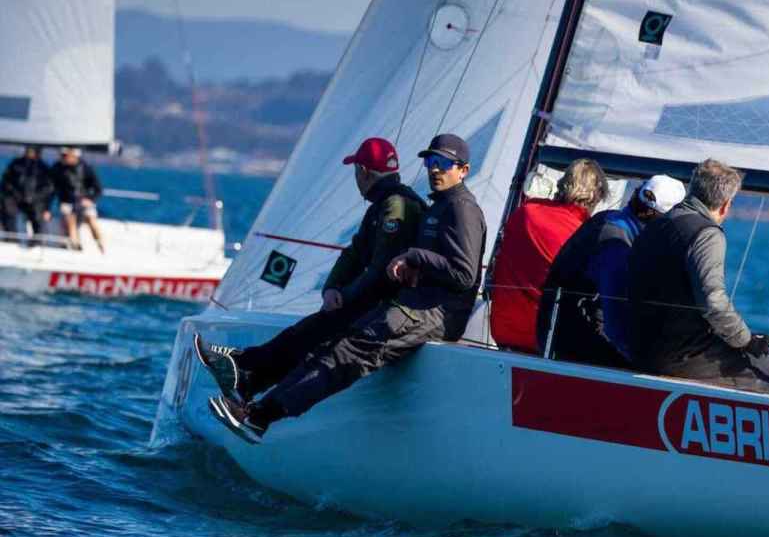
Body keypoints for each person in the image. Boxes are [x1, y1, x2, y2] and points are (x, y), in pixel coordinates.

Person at [198, 134, 486, 444]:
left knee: (345, 351)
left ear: (463, 170)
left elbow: (464, 274)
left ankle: (258, 416)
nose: (434, 169)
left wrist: (414, 257)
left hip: (432, 313)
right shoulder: (438, 206)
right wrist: (337, 286)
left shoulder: (460, 208)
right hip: (416, 304)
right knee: (330, 341)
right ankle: (249, 388)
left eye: (442, 163)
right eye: (430, 161)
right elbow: (362, 253)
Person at [195, 137, 425, 407]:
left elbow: (380, 271)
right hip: (379, 302)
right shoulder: (384, 204)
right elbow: (353, 254)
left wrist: (346, 298)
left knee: (316, 331)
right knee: (311, 328)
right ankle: (244, 375)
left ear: (363, 172)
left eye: (355, 171)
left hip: (393, 308)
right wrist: (332, 288)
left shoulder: (396, 206)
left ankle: (244, 370)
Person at [628, 159, 769, 393]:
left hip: (640, 347)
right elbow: (713, 302)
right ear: (725, 206)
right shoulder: (706, 235)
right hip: (679, 357)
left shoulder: (657, 225)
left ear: (692, 190)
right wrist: (747, 341)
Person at [536, 174, 686, 368]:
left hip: (556, 335)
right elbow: (615, 324)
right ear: (661, 221)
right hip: (571, 347)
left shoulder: (608, 218)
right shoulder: (616, 245)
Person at [489, 158, 609, 353]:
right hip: (546, 339)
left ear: (563, 184)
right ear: (596, 196)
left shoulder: (524, 212)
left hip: (503, 332)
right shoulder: (584, 235)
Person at [51, 147, 104, 252]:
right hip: (67, 201)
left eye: (66, 156)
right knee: (70, 218)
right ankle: (75, 245)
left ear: (74, 156)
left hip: (83, 200)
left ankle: (101, 245)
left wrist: (90, 199)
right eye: (62, 156)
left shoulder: (85, 168)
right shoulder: (57, 168)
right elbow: (52, 187)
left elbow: (98, 188)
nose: (64, 158)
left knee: (91, 219)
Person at [1, 145, 54, 245]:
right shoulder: (16, 164)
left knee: (38, 211)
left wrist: (34, 197)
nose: (29, 152)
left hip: (35, 200)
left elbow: (48, 188)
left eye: (32, 151)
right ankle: (11, 238)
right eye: (28, 150)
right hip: (16, 197)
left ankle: (38, 241)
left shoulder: (43, 168)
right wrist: (16, 194)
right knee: (7, 205)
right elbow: (6, 182)